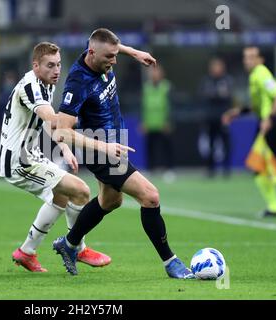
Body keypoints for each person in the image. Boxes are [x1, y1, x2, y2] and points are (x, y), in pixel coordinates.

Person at [52, 28, 194, 278]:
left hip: (116, 141)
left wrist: (134, 52)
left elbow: (108, 44)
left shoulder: (100, 55)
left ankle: (69, 243)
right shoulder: (77, 82)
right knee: (150, 196)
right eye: (110, 57)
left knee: (110, 201)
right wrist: (104, 147)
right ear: (92, 53)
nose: (114, 61)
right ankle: (171, 262)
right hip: (100, 148)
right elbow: (62, 132)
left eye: (116, 55)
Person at [0, 42, 111, 272]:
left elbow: (47, 123)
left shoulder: (46, 84)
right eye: (50, 65)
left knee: (61, 195)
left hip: (31, 155)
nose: (56, 70)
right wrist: (93, 138)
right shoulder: (30, 86)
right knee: (81, 190)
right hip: (19, 160)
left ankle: (26, 252)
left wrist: (66, 149)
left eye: (59, 65)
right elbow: (53, 120)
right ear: (36, 65)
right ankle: (77, 248)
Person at [222, 47, 276, 217]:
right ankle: (275, 207)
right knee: (262, 168)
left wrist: (269, 119)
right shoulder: (255, 75)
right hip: (266, 123)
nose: (247, 60)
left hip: (270, 125)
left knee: (267, 168)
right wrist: (236, 113)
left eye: (251, 57)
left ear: (261, 59)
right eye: (245, 57)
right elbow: (258, 106)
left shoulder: (261, 73)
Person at [199, 58, 233, 178]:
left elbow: (228, 96)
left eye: (218, 66)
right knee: (211, 144)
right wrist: (218, 94)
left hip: (224, 117)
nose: (216, 69)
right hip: (211, 117)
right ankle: (210, 170)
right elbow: (203, 95)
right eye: (214, 67)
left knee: (226, 144)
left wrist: (216, 94)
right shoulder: (207, 80)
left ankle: (226, 170)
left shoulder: (227, 80)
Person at [141, 64, 175, 181]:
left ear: (161, 74)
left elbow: (171, 105)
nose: (154, 74)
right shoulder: (146, 87)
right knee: (150, 148)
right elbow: (143, 106)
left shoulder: (167, 86)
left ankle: (169, 170)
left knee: (166, 148)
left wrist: (168, 121)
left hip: (163, 123)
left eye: (156, 72)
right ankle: (150, 169)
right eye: (152, 72)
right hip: (150, 123)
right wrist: (144, 121)